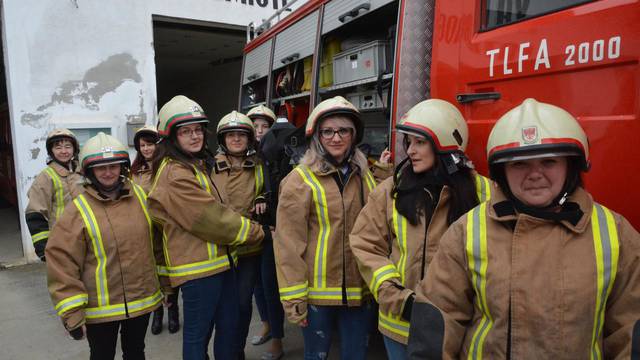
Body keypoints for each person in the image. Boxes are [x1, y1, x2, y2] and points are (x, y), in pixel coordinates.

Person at [408, 98, 640, 359]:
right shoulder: (467, 231)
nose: (535, 173)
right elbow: (438, 325)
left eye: (549, 162)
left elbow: (630, 333)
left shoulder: (617, 234)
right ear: (502, 171)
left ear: (570, 166)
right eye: (519, 163)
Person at [349, 99, 491, 360]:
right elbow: (365, 243)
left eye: (420, 142)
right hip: (400, 325)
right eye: (408, 142)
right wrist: (395, 296)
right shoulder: (392, 190)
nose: (410, 150)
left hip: (456, 328)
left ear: (446, 143)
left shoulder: (486, 194)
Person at [147, 95, 264, 360]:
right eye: (186, 131)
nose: (195, 136)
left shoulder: (193, 164)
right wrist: (258, 232)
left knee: (229, 328)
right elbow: (211, 218)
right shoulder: (174, 174)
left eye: (198, 129)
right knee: (198, 337)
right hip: (198, 271)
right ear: (171, 137)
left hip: (221, 264)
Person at [274, 96, 378, 360]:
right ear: (317, 136)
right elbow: (288, 243)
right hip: (317, 295)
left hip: (358, 290)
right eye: (328, 131)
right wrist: (294, 295)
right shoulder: (299, 180)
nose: (336, 137)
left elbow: (377, 223)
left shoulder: (363, 174)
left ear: (353, 135)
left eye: (343, 130)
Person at [46, 132, 162, 360]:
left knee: (136, 352)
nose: (108, 172)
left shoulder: (140, 196)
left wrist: (166, 285)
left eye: (113, 166)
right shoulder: (77, 210)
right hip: (100, 310)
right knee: (101, 355)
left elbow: (157, 244)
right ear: (89, 171)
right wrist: (72, 313)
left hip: (141, 300)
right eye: (101, 168)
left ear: (123, 167)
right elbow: (61, 263)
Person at [209, 110, 267, 359]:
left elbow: (267, 190)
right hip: (219, 249)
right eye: (231, 135)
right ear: (223, 139)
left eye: (241, 135)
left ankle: (236, 352)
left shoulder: (259, 165)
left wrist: (263, 199)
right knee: (222, 307)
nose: (236, 140)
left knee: (243, 305)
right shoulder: (209, 167)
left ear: (249, 139)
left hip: (249, 248)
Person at [130, 125, 182, 336]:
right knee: (153, 269)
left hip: (167, 227)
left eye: (149, 144)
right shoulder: (134, 172)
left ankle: (174, 310)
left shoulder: (169, 166)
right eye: (142, 145)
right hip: (146, 230)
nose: (146, 149)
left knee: (171, 268)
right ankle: (157, 312)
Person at [246, 104, 286, 360]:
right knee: (257, 285)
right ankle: (267, 324)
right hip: (249, 230)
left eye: (265, 126)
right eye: (255, 127)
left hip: (271, 230)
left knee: (270, 284)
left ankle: (279, 341)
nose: (260, 131)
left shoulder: (279, 154)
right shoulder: (242, 155)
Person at [25, 128, 82, 261]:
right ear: (51, 151)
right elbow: (35, 214)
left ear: (74, 149)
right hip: (61, 241)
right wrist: (43, 248)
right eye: (58, 147)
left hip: (85, 237)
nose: (64, 151)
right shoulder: (46, 177)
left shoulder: (83, 173)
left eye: (68, 146)